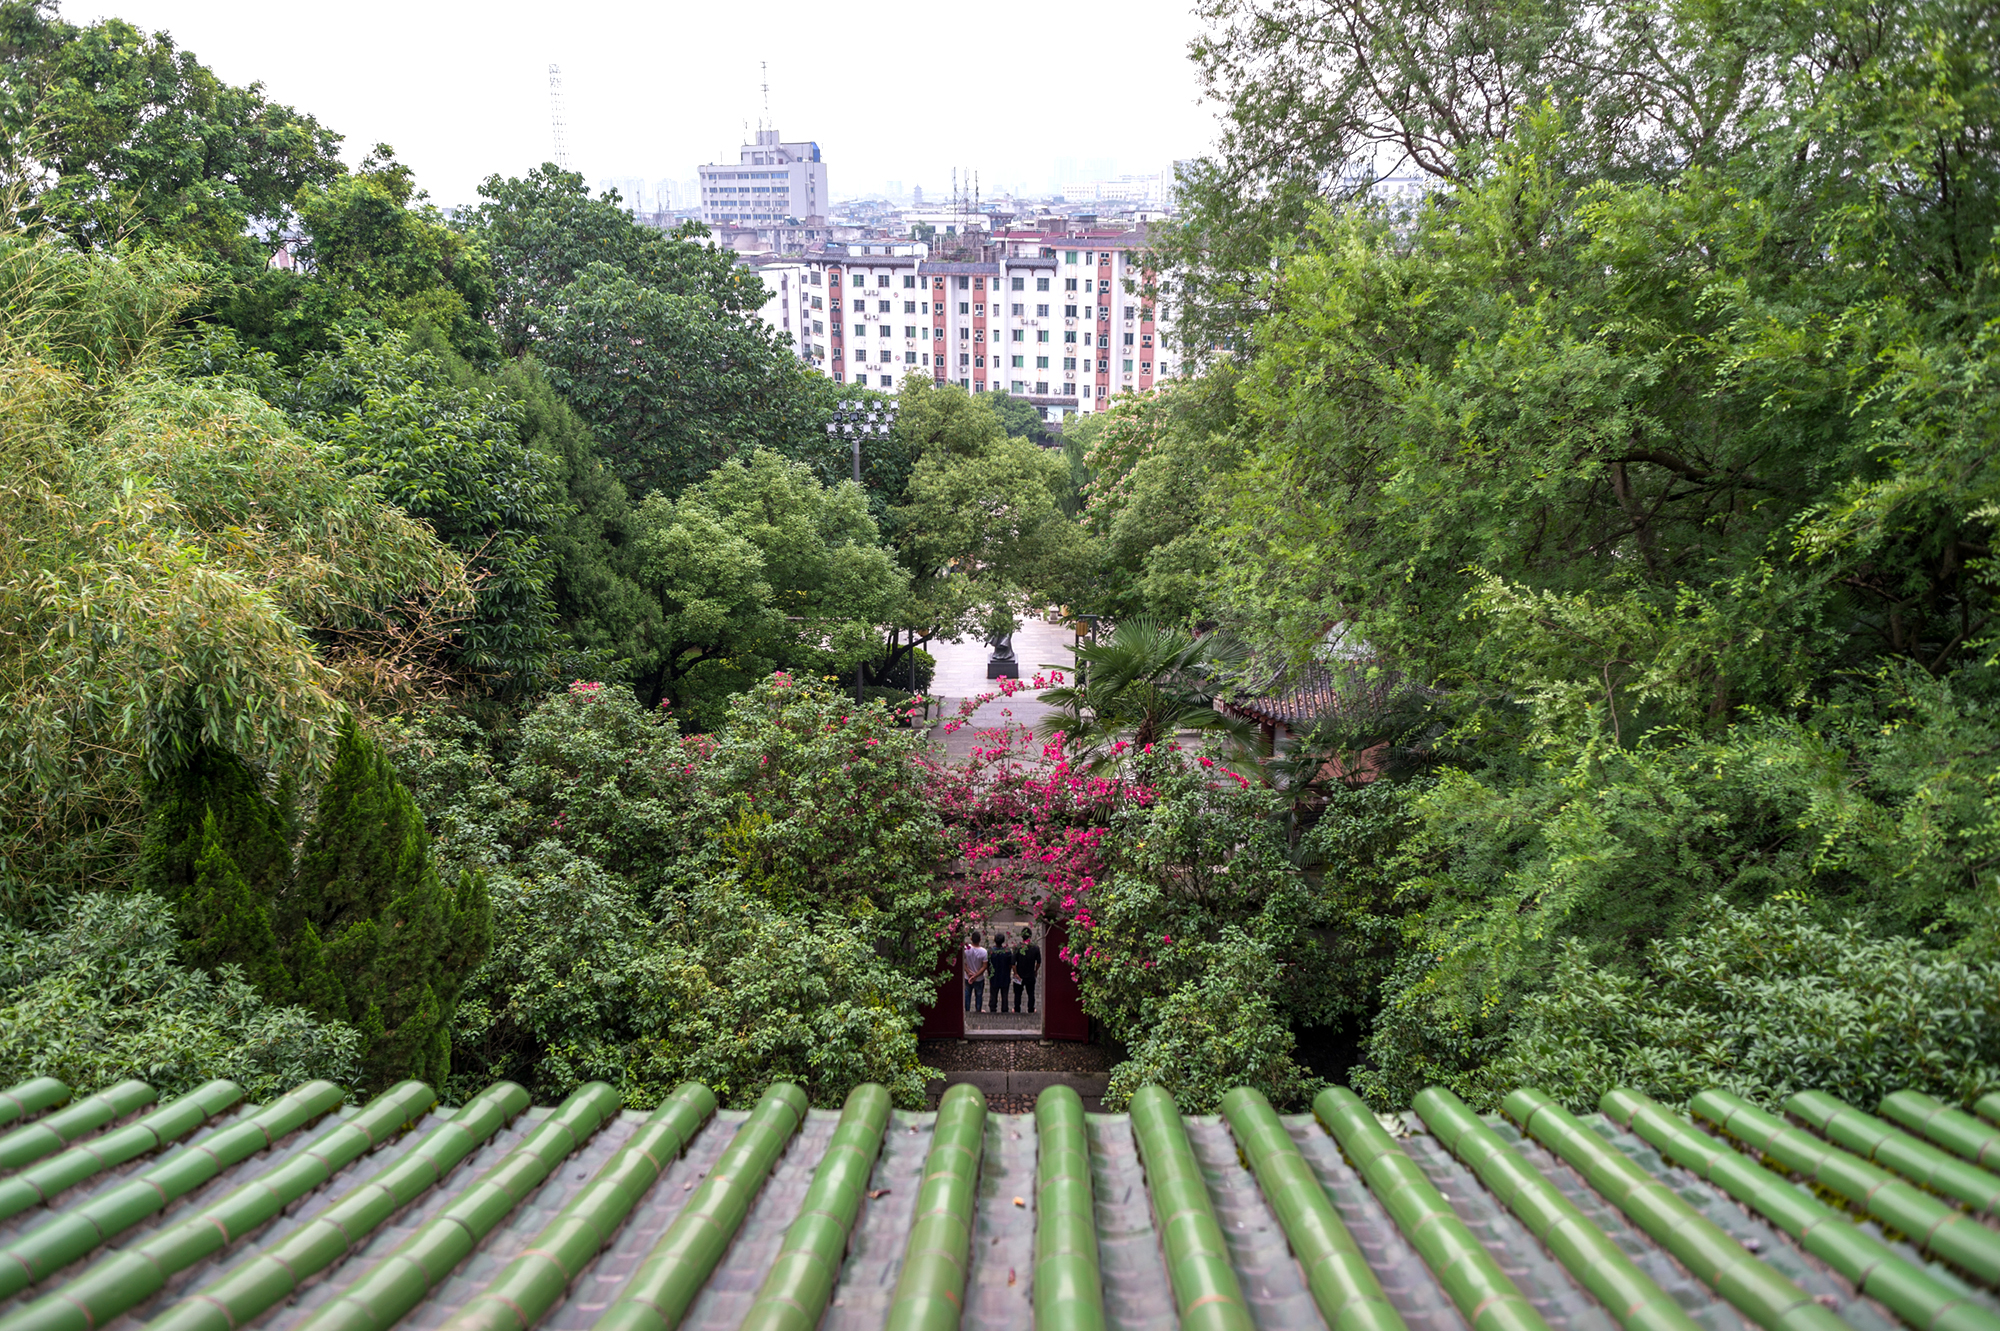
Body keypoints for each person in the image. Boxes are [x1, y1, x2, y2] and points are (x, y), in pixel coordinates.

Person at [1014, 926, 1041, 1014]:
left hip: (1019, 975)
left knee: (1018, 994)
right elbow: (1039, 962)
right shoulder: (1035, 948)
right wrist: (1035, 970)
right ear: (1030, 936)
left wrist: (1015, 973)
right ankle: (1031, 1009)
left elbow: (1013, 963)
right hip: (1030, 974)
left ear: (1022, 936)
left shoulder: (1018, 948)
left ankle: (1017, 1009)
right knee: (1031, 993)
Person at [989, 934, 1016, 1013]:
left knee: (993, 994)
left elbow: (988, 965)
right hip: (1005, 976)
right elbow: (1011, 964)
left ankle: (993, 1008)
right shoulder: (1007, 952)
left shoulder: (991, 952)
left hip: (994, 977)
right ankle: (1004, 1009)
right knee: (1005, 995)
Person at [962, 932, 988, 1013]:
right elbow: (984, 966)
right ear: (980, 940)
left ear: (971, 939)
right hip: (979, 978)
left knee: (967, 994)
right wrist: (975, 975)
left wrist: (969, 973)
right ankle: (978, 1010)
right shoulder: (983, 952)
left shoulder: (966, 949)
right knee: (979, 995)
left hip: (967, 977)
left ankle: (967, 1010)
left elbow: (963, 963)